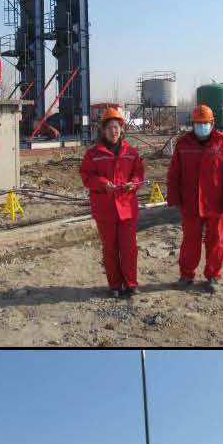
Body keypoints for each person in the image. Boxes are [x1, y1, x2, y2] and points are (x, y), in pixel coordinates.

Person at [167, 105, 223, 291]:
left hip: (215, 203)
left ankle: (213, 276)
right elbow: (174, 173)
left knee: (215, 241)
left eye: (205, 123)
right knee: (190, 241)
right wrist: (174, 198)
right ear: (192, 124)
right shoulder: (183, 144)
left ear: (212, 123)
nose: (202, 127)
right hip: (190, 203)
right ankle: (186, 275)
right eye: (198, 123)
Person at [80, 105, 146, 304]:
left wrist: (133, 184)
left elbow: (138, 174)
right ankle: (115, 285)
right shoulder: (93, 154)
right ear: (103, 130)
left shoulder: (131, 152)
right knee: (110, 248)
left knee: (129, 248)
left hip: (127, 207)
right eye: (109, 128)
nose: (113, 131)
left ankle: (131, 284)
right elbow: (86, 176)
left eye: (116, 127)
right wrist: (102, 183)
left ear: (122, 129)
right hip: (105, 208)